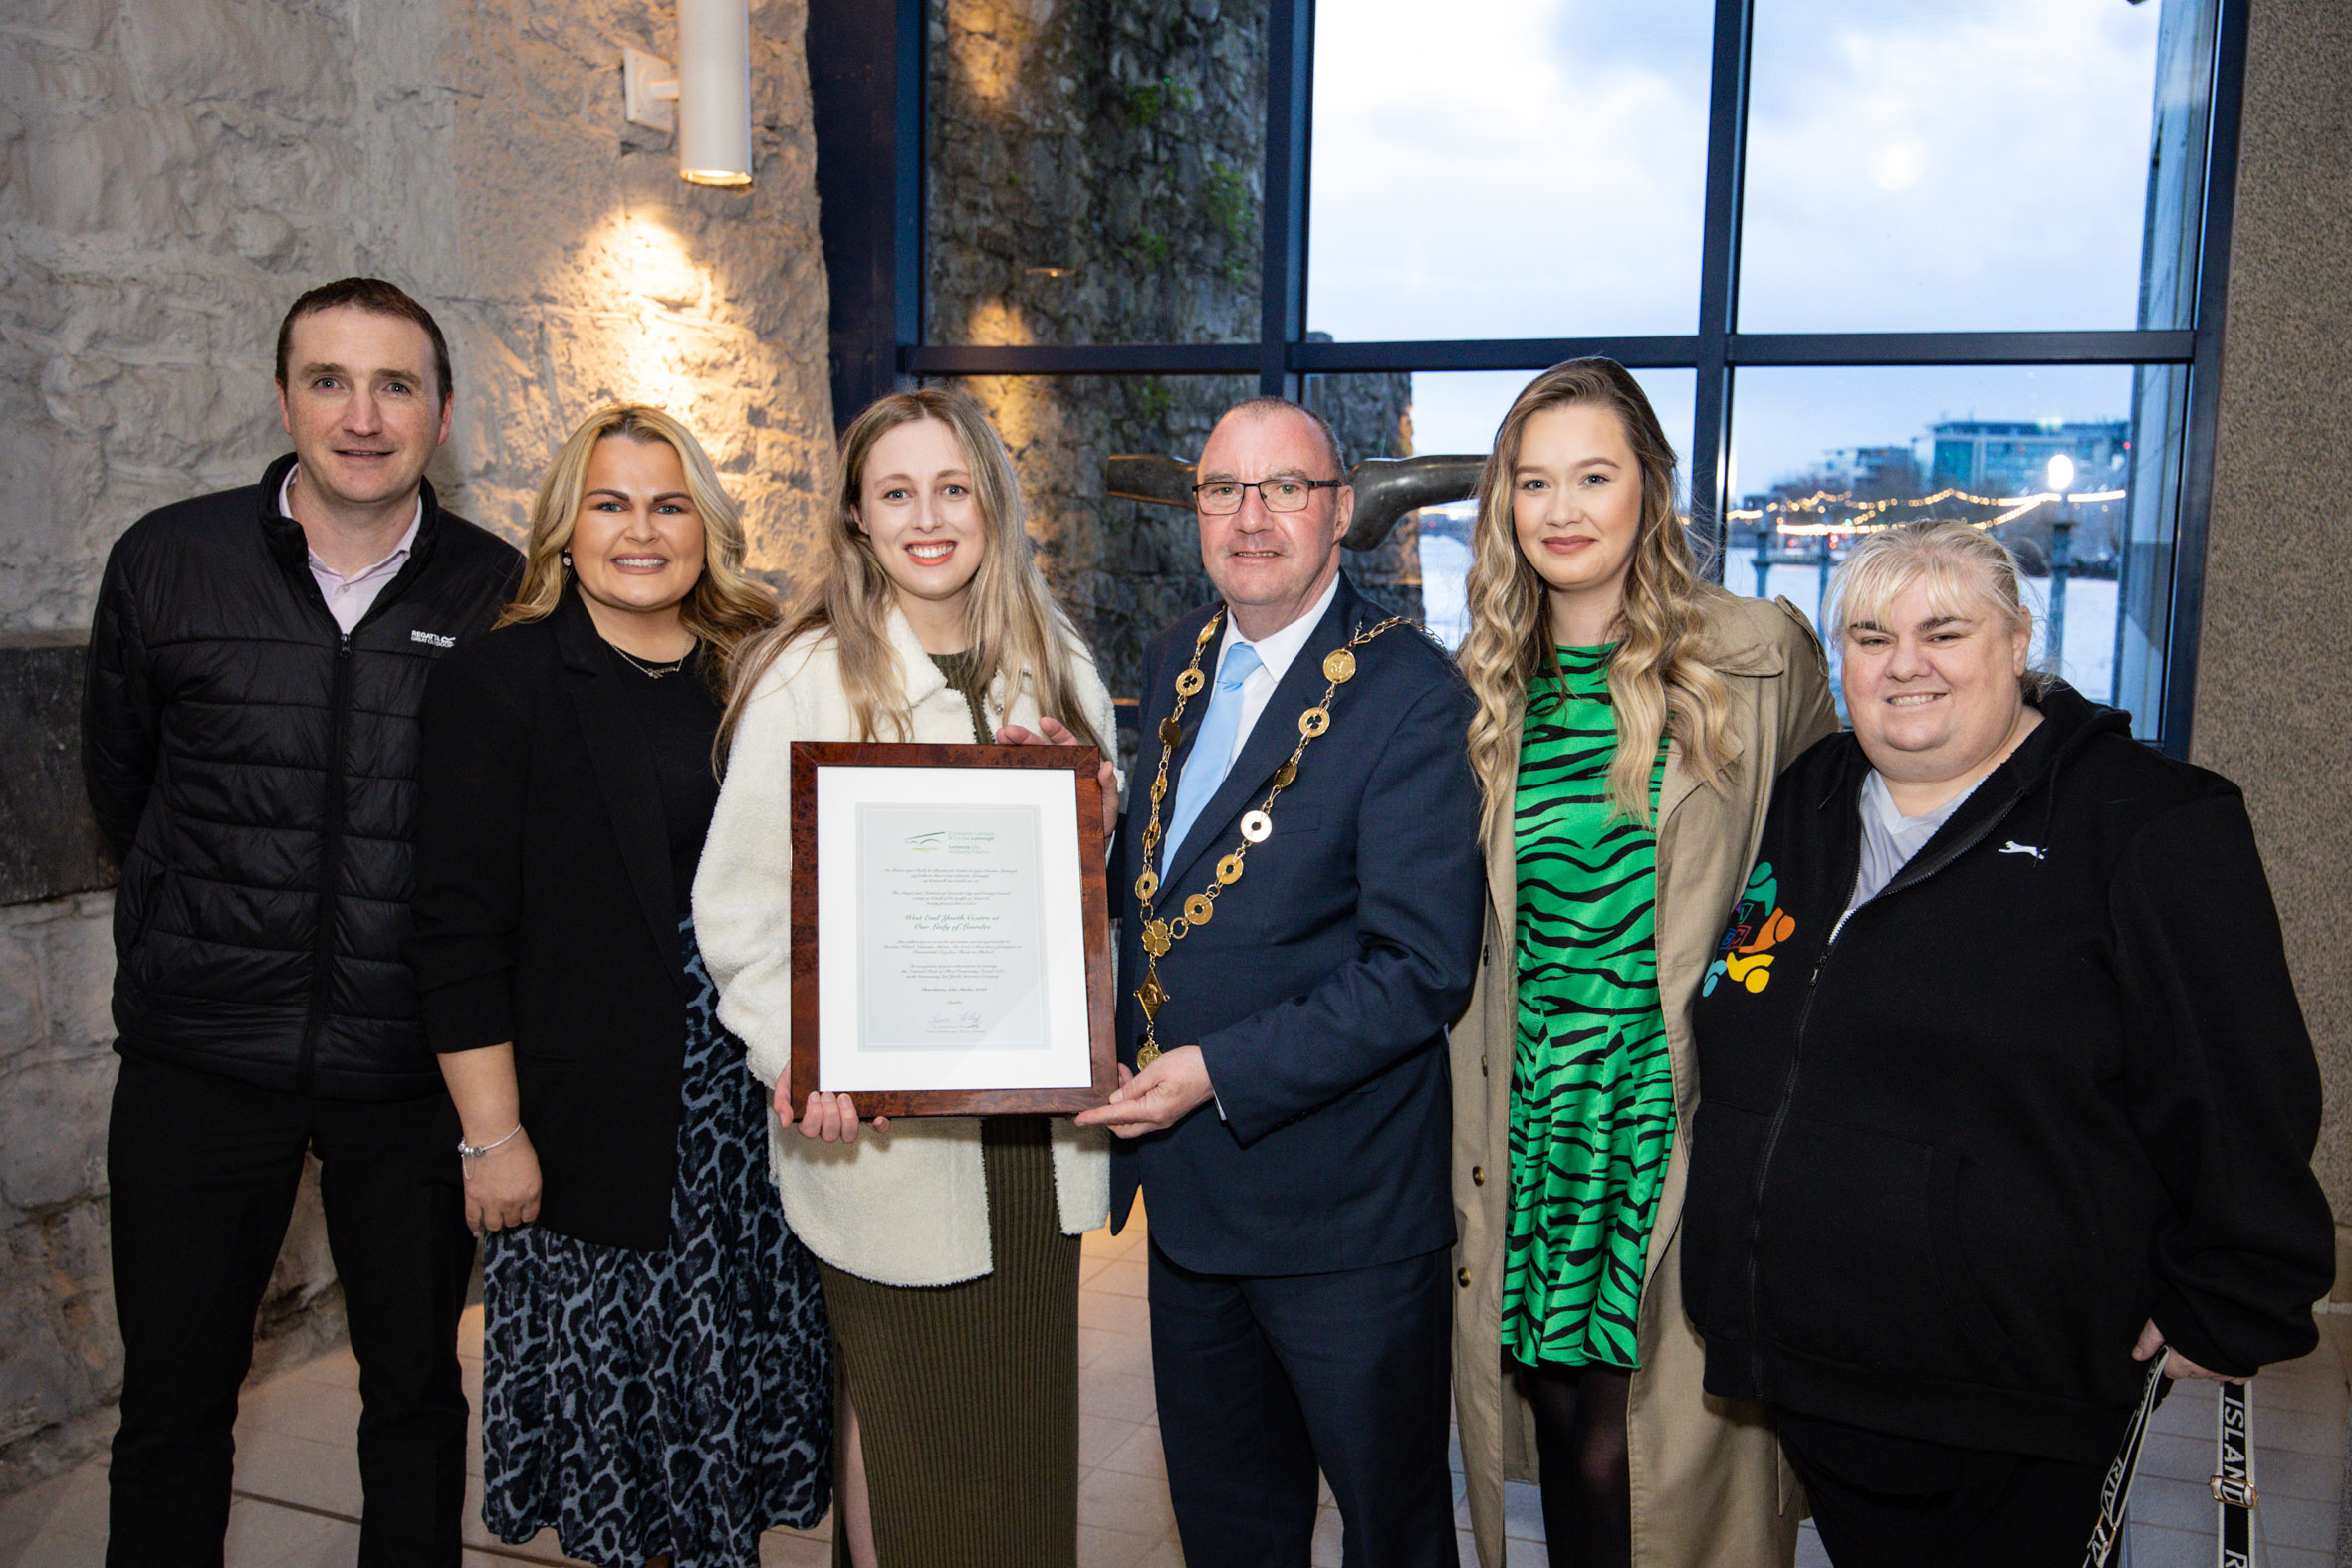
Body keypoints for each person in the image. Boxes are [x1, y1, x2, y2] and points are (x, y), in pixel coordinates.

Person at [1680, 520, 2333, 1566]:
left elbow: (2237, 1078)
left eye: (1943, 630)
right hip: (1819, 1355)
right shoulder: (1810, 795)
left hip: (2016, 1379)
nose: (1903, 665)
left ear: (2017, 640)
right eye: (1868, 635)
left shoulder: (2147, 821)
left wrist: (2234, 1293)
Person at [80, 277, 518, 1566]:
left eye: (395, 385)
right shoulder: (167, 560)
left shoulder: (499, 592)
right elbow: (125, 780)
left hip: (407, 1067)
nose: (362, 414)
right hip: (197, 1055)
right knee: (170, 1405)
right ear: (283, 398)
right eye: (329, 380)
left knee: (415, 1402)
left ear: (442, 414)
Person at [693, 386, 1116, 1568]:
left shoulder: (1060, 662)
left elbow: (1088, 894)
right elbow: (737, 911)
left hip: (1031, 1150)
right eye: (896, 493)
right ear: (858, 520)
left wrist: (1093, 803)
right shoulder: (806, 678)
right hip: (885, 1145)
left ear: (991, 501)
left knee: (1025, 1459)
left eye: (952, 487)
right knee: (913, 1450)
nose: (927, 517)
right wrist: (804, 1055)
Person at [404, 405, 831, 1566]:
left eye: (668, 503)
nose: (639, 530)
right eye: (609, 503)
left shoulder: (759, 673)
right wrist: (491, 1137)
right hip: (593, 1138)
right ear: (564, 528)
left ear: (706, 525)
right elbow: (452, 932)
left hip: (756, 1131)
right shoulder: (502, 681)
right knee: (632, 1469)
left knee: (729, 1452)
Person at [1078, 396, 1484, 1566]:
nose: (1250, 518)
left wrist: (1213, 1070)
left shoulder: (1414, 694)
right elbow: (1167, 893)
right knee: (1228, 1522)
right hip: (1190, 1202)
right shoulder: (1175, 658)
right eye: (1223, 490)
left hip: (1340, 1216)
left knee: (1387, 1529)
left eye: (1285, 489)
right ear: (1195, 508)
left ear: (1341, 513)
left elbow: (1416, 970)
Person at [1449, 359, 1836, 1568]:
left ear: (1651, 490)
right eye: (1533, 481)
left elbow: (1830, 875)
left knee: (1660, 1444)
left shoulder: (1757, 657)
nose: (1562, 508)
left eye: (1594, 476)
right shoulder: (1476, 687)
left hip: (1674, 1097)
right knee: (1567, 1424)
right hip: (1532, 1110)